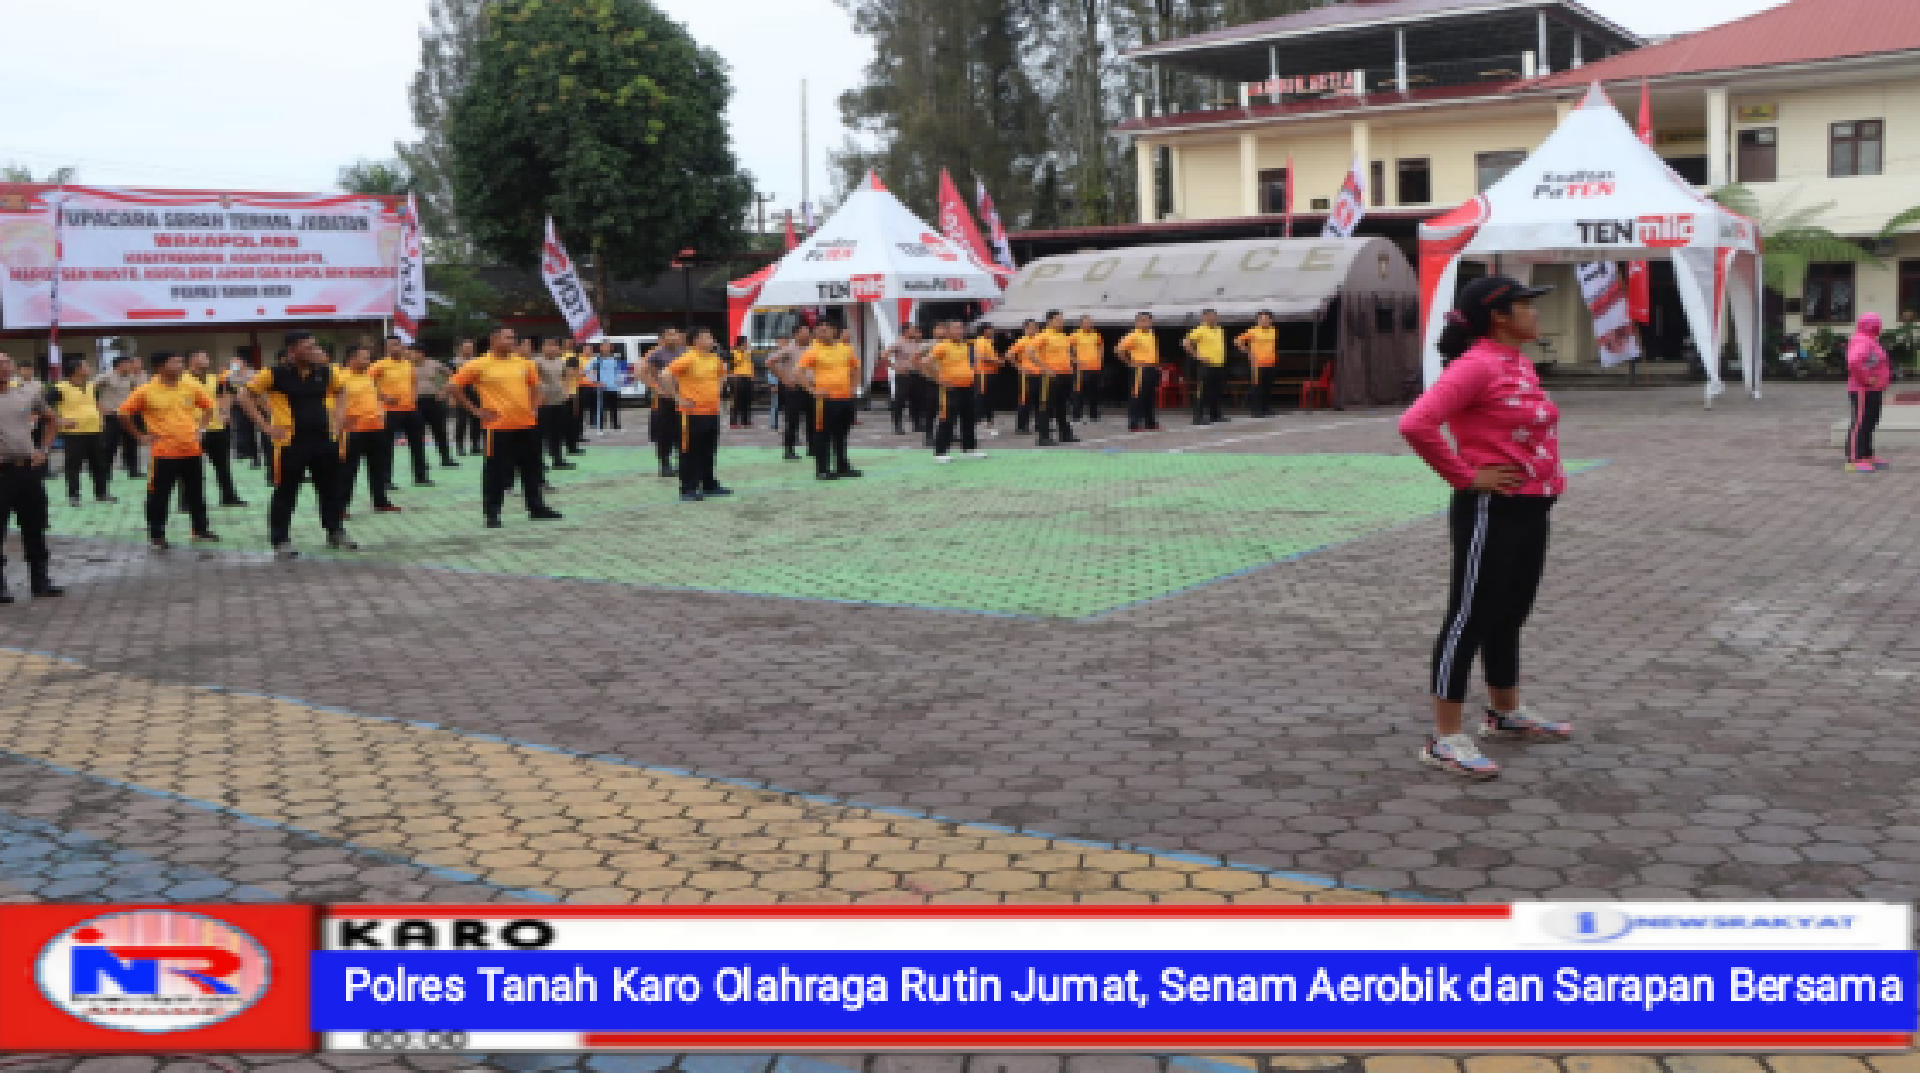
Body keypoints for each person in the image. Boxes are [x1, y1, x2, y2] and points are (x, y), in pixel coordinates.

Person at [1398, 275, 1573, 782]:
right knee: (1468, 617)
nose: (1535, 313)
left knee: (1509, 613)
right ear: (1499, 316)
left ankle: (1504, 712)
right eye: (1526, 305)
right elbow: (1416, 423)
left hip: (1531, 505)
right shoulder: (1474, 366)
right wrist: (1465, 476)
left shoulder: (1517, 362)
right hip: (1490, 509)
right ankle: (1445, 737)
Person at [240, 331, 354, 559]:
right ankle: (281, 539)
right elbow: (244, 395)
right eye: (309, 347)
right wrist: (265, 426)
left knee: (330, 489)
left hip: (324, 440)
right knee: (286, 492)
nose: (315, 351)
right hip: (290, 444)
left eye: (315, 346)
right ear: (293, 350)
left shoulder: (325, 372)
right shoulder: (274, 373)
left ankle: (335, 531)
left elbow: (342, 390)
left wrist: (339, 418)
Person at [448, 326, 564, 530]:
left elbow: (536, 387)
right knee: (495, 471)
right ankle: (492, 514)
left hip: (526, 425)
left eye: (513, 338)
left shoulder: (525, 363)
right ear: (494, 340)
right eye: (508, 337)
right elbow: (453, 386)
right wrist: (475, 410)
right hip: (497, 427)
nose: (513, 341)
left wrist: (535, 408)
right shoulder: (478, 364)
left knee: (531, 469)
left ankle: (536, 508)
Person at [119, 351, 219, 552]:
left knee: (196, 492)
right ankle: (157, 535)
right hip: (163, 453)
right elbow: (123, 413)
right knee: (159, 495)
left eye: (181, 362)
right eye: (175, 362)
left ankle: (200, 529)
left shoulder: (190, 387)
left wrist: (202, 429)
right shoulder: (146, 390)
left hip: (191, 449)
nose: (180, 365)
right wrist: (139, 436)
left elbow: (209, 407)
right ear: (160, 366)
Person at [0, 352, 64, 603]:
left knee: (34, 526)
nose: (5, 367)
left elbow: (51, 418)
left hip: (27, 471)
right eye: (0, 364)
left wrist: (44, 450)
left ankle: (40, 580)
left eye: (7, 362)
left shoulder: (26, 393)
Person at [663, 329, 733, 502]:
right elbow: (665, 374)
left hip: (712, 412)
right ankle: (688, 488)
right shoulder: (688, 358)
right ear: (696, 341)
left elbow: (722, 375)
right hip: (691, 414)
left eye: (711, 336)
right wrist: (677, 398)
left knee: (709, 450)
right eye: (707, 337)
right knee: (689, 451)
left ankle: (709, 485)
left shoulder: (715, 359)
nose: (711, 339)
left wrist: (717, 391)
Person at [333, 345, 400, 517]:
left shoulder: (368, 376)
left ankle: (380, 502)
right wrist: (338, 421)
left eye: (368, 358)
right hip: (353, 431)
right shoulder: (340, 377)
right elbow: (330, 401)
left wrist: (385, 401)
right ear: (352, 359)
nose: (368, 361)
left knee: (378, 467)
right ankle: (340, 507)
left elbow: (374, 394)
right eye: (364, 358)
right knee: (348, 470)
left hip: (376, 428)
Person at [182, 351, 246, 509]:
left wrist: (225, 412)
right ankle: (187, 501)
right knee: (191, 467)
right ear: (192, 360)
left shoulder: (214, 378)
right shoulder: (182, 379)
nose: (207, 360)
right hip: (193, 429)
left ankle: (228, 497)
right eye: (203, 357)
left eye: (207, 357)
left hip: (217, 427)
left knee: (223, 465)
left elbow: (224, 395)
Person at [798, 323, 861, 481]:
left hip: (846, 399)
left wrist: (853, 389)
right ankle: (822, 470)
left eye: (825, 330)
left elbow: (855, 368)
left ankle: (842, 466)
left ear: (834, 331)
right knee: (822, 435)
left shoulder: (846, 349)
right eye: (819, 330)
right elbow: (799, 372)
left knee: (842, 434)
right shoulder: (813, 350)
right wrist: (812, 390)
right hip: (824, 401)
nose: (821, 333)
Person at [47, 361, 115, 508]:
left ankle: (101, 493)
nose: (89, 368)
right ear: (77, 370)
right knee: (73, 465)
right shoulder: (60, 388)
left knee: (99, 464)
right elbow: (43, 406)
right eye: (86, 366)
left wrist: (102, 417)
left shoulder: (91, 386)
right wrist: (59, 420)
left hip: (95, 430)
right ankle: (74, 496)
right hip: (74, 433)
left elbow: (95, 403)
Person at [370, 336, 432, 488]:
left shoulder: (408, 364)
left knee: (418, 443)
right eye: (391, 345)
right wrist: (383, 397)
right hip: (389, 411)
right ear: (386, 348)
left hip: (410, 410)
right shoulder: (379, 365)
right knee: (386, 446)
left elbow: (413, 382)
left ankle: (421, 477)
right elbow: (368, 384)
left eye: (397, 344)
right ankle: (385, 480)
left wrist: (414, 398)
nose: (395, 348)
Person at [930, 321, 987, 464]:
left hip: (968, 387)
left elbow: (971, 364)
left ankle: (969, 449)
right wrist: (938, 379)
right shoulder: (942, 346)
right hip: (950, 389)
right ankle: (940, 452)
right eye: (956, 328)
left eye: (961, 328)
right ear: (948, 331)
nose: (959, 330)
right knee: (947, 419)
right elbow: (925, 363)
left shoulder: (967, 346)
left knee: (968, 418)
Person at [1846, 312, 1891, 473]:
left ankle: (1866, 455)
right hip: (1862, 389)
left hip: (1873, 389)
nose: (1879, 326)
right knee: (1861, 422)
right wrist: (1867, 378)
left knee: (1870, 421)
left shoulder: (1871, 341)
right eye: (1876, 323)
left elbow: (1872, 362)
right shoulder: (1862, 340)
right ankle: (1854, 459)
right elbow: (1854, 362)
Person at [641, 330, 687, 478]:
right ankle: (665, 465)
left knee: (682, 431)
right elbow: (643, 372)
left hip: (681, 397)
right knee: (664, 432)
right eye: (670, 335)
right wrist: (657, 389)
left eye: (676, 334)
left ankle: (682, 463)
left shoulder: (685, 352)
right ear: (663, 338)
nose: (674, 337)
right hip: (664, 400)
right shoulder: (656, 354)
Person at [93, 353, 147, 478]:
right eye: (128, 364)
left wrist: (139, 372)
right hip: (112, 415)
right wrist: (98, 407)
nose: (131, 366)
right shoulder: (106, 376)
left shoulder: (131, 377)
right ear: (120, 365)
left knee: (131, 443)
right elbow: (90, 389)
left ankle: (133, 471)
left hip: (128, 415)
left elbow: (140, 390)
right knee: (110, 444)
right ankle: (106, 472)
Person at [1032, 311, 1079, 447]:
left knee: (1062, 405)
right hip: (1050, 375)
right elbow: (1030, 352)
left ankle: (1065, 434)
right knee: (1046, 406)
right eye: (1058, 320)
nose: (1061, 322)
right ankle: (1043, 437)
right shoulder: (1042, 335)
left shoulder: (1064, 336)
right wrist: (1045, 368)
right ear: (1049, 321)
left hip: (1065, 374)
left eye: (1061, 319)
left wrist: (1073, 364)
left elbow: (1066, 354)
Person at [532, 337, 577, 473]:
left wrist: (566, 391)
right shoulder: (536, 362)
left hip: (559, 401)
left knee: (557, 432)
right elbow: (533, 381)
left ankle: (557, 460)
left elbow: (566, 376)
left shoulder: (560, 361)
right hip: (543, 403)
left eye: (555, 346)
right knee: (540, 434)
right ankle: (538, 462)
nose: (552, 348)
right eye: (549, 345)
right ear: (543, 347)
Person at [412, 345, 461, 469]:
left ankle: (445, 458)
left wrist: (444, 390)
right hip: (416, 402)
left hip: (433, 400)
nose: (412, 355)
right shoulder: (407, 366)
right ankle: (421, 461)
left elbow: (451, 374)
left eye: (414, 353)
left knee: (440, 430)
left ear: (421, 353)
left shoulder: (433, 363)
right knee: (418, 433)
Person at [770, 327, 813, 461]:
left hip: (811, 388)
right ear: (796, 335)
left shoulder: (812, 347)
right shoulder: (789, 349)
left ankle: (812, 448)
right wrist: (783, 379)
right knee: (792, 421)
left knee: (812, 419)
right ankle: (789, 450)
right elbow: (770, 362)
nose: (807, 335)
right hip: (795, 389)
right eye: (804, 333)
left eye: (808, 333)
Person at [1120, 312, 1163, 434]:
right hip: (1139, 369)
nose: (1144, 323)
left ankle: (1150, 422)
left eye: (1147, 320)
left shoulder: (1151, 335)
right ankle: (1133, 423)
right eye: (1141, 320)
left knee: (1149, 396)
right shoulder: (1133, 335)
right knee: (1136, 396)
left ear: (1151, 322)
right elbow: (1119, 350)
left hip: (1152, 368)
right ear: (1137, 322)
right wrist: (1129, 363)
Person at [1184, 308, 1228, 425]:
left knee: (1216, 391)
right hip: (1206, 365)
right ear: (1203, 318)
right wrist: (1196, 355)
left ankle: (1215, 415)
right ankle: (1198, 417)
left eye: (1213, 316)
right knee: (1202, 392)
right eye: (1208, 316)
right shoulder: (1200, 330)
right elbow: (1186, 342)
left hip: (1219, 365)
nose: (1211, 318)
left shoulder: (1219, 329)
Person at [882, 327, 925, 437]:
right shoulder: (898, 342)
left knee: (916, 400)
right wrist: (895, 367)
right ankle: (897, 425)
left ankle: (916, 424)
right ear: (906, 331)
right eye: (911, 330)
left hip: (916, 374)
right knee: (900, 400)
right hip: (903, 375)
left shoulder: (916, 342)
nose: (914, 332)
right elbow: (884, 355)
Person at [1237, 310, 1279, 419]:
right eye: (1261, 319)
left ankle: (1266, 409)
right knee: (1256, 388)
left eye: (1266, 319)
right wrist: (1247, 352)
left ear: (1271, 320)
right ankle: (1256, 410)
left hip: (1270, 364)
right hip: (1257, 365)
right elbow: (1238, 341)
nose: (1264, 321)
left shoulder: (1273, 331)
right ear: (1257, 320)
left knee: (1267, 387)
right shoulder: (1252, 331)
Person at [226, 353, 266, 468]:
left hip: (254, 405)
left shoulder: (253, 373)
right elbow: (230, 389)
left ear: (243, 362)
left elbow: (256, 388)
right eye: (232, 363)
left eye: (235, 362)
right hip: (239, 406)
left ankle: (262, 457)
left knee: (259, 432)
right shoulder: (230, 375)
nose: (233, 365)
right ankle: (251, 456)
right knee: (244, 430)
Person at [449, 338, 487, 456]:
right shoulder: (454, 362)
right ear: (460, 348)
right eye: (466, 347)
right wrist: (452, 397)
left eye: (470, 347)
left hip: (476, 393)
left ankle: (475, 446)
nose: (469, 349)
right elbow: (451, 380)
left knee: (476, 420)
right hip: (461, 393)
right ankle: (460, 447)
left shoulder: (479, 361)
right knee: (461, 421)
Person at [1008, 320, 1042, 435]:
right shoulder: (1022, 341)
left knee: (1040, 401)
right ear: (1025, 329)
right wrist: (1019, 367)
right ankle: (1021, 427)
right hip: (1027, 376)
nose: (1034, 329)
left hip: (1040, 374)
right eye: (1031, 327)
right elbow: (1009, 355)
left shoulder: (1039, 340)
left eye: (1036, 327)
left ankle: (1040, 424)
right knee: (1025, 400)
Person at [585, 341, 626, 433]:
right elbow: (588, 371)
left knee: (614, 407)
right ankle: (600, 428)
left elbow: (618, 372)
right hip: (602, 387)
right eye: (605, 346)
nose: (607, 348)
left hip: (613, 387)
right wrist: (595, 381)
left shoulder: (614, 359)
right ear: (601, 348)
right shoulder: (597, 359)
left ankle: (616, 426)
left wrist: (620, 382)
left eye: (608, 346)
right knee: (601, 408)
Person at [1070, 316, 1105, 423]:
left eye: (1090, 322)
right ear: (1081, 323)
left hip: (1095, 368)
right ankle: (1076, 416)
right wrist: (1074, 360)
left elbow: (1101, 347)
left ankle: (1094, 415)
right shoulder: (1074, 335)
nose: (1088, 324)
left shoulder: (1096, 335)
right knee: (1078, 392)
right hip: (1080, 369)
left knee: (1094, 392)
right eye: (1086, 322)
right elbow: (1067, 350)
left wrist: (1100, 359)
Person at [971, 324, 1001, 437]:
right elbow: (982, 357)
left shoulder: (988, 342)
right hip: (982, 374)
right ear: (985, 331)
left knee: (989, 400)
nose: (992, 331)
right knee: (981, 399)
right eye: (990, 330)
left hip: (990, 374)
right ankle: (979, 425)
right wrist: (996, 360)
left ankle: (989, 424)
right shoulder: (980, 341)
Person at [727, 335, 757, 430]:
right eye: (745, 343)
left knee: (747, 400)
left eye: (747, 343)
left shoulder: (748, 354)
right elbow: (731, 365)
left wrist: (752, 376)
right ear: (740, 343)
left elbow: (751, 365)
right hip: (738, 378)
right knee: (736, 401)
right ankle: (733, 422)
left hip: (748, 378)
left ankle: (746, 421)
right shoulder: (734, 353)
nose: (746, 345)